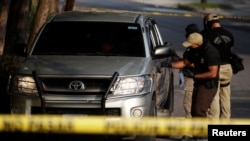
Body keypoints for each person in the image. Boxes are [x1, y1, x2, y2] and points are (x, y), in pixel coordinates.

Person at [163, 32, 221, 117]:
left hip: (208, 86)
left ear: (197, 43)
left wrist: (195, 76)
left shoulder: (210, 52)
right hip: (198, 83)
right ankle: (196, 128)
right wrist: (169, 64)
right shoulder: (195, 50)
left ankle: (202, 129)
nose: (189, 46)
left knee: (199, 112)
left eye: (191, 44)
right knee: (194, 111)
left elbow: (213, 73)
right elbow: (184, 63)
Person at [201, 13, 234, 119]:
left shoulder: (206, 35)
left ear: (208, 23)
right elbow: (230, 50)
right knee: (225, 97)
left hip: (215, 69)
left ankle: (213, 123)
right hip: (228, 69)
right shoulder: (229, 34)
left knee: (214, 96)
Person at [181, 23, 200, 118]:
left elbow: (193, 63)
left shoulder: (196, 47)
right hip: (195, 77)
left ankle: (190, 131)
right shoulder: (201, 45)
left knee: (189, 104)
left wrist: (183, 64)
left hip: (193, 77)